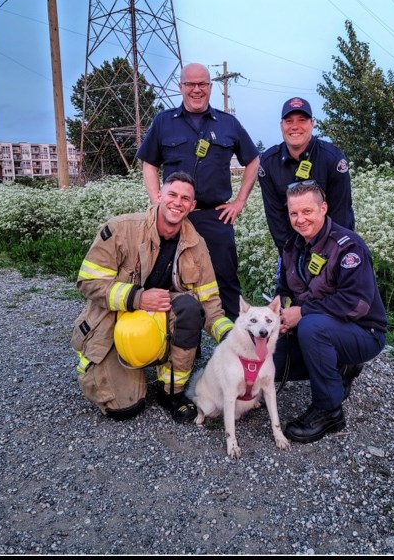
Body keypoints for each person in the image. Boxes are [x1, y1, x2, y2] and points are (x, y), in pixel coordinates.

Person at [71, 172, 235, 423]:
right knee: (125, 409)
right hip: (114, 325)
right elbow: (88, 282)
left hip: (158, 321)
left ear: (192, 206)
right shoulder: (120, 229)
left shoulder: (196, 244)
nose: (177, 202)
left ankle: (171, 391)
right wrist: (137, 297)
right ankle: (106, 367)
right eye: (172, 194)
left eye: (185, 198)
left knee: (190, 308)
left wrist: (233, 337)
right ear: (159, 195)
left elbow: (209, 301)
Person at [136, 62, 260, 321]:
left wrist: (239, 202)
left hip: (215, 217)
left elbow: (253, 160)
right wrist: (157, 200)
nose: (196, 90)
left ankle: (233, 348)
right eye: (190, 84)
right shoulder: (163, 122)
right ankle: (179, 346)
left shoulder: (228, 124)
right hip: (174, 218)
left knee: (225, 281)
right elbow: (149, 163)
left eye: (202, 84)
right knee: (168, 281)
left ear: (210, 87)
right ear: (180, 87)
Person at [273, 180, 387, 444]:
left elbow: (356, 303)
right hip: (319, 327)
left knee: (313, 327)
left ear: (323, 208)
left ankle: (329, 411)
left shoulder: (348, 246)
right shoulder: (292, 247)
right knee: (272, 359)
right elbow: (283, 290)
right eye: (294, 213)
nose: (300, 219)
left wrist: (302, 313)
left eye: (307, 211)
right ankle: (338, 368)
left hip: (363, 332)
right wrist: (283, 316)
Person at [258, 97, 355, 254]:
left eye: (302, 120)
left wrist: (327, 255)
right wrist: (292, 258)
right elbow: (276, 218)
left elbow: (340, 215)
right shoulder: (269, 163)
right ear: (281, 125)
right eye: (289, 121)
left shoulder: (332, 158)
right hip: (292, 247)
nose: (295, 126)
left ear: (312, 123)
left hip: (333, 246)